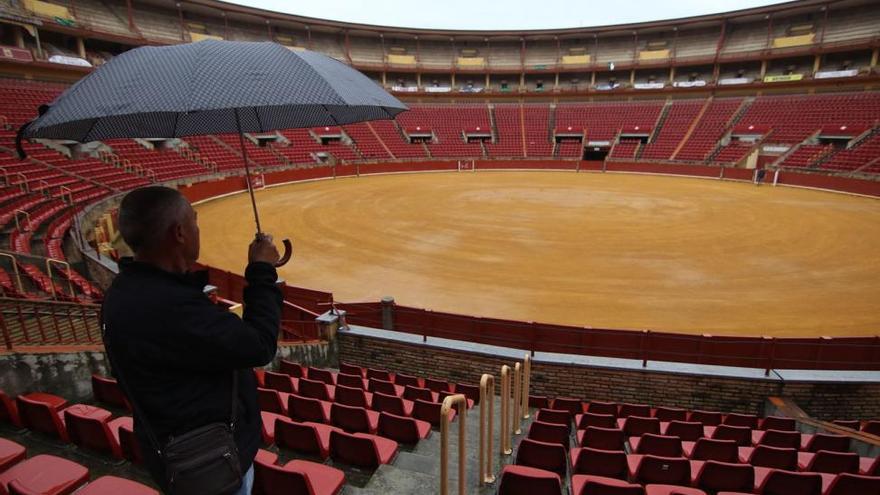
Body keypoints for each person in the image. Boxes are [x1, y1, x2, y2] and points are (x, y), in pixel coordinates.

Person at [101, 186, 282, 495]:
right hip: (210, 463)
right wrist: (261, 271)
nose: (199, 229)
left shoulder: (122, 292)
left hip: (171, 451)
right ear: (180, 233)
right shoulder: (173, 309)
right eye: (195, 222)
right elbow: (259, 344)